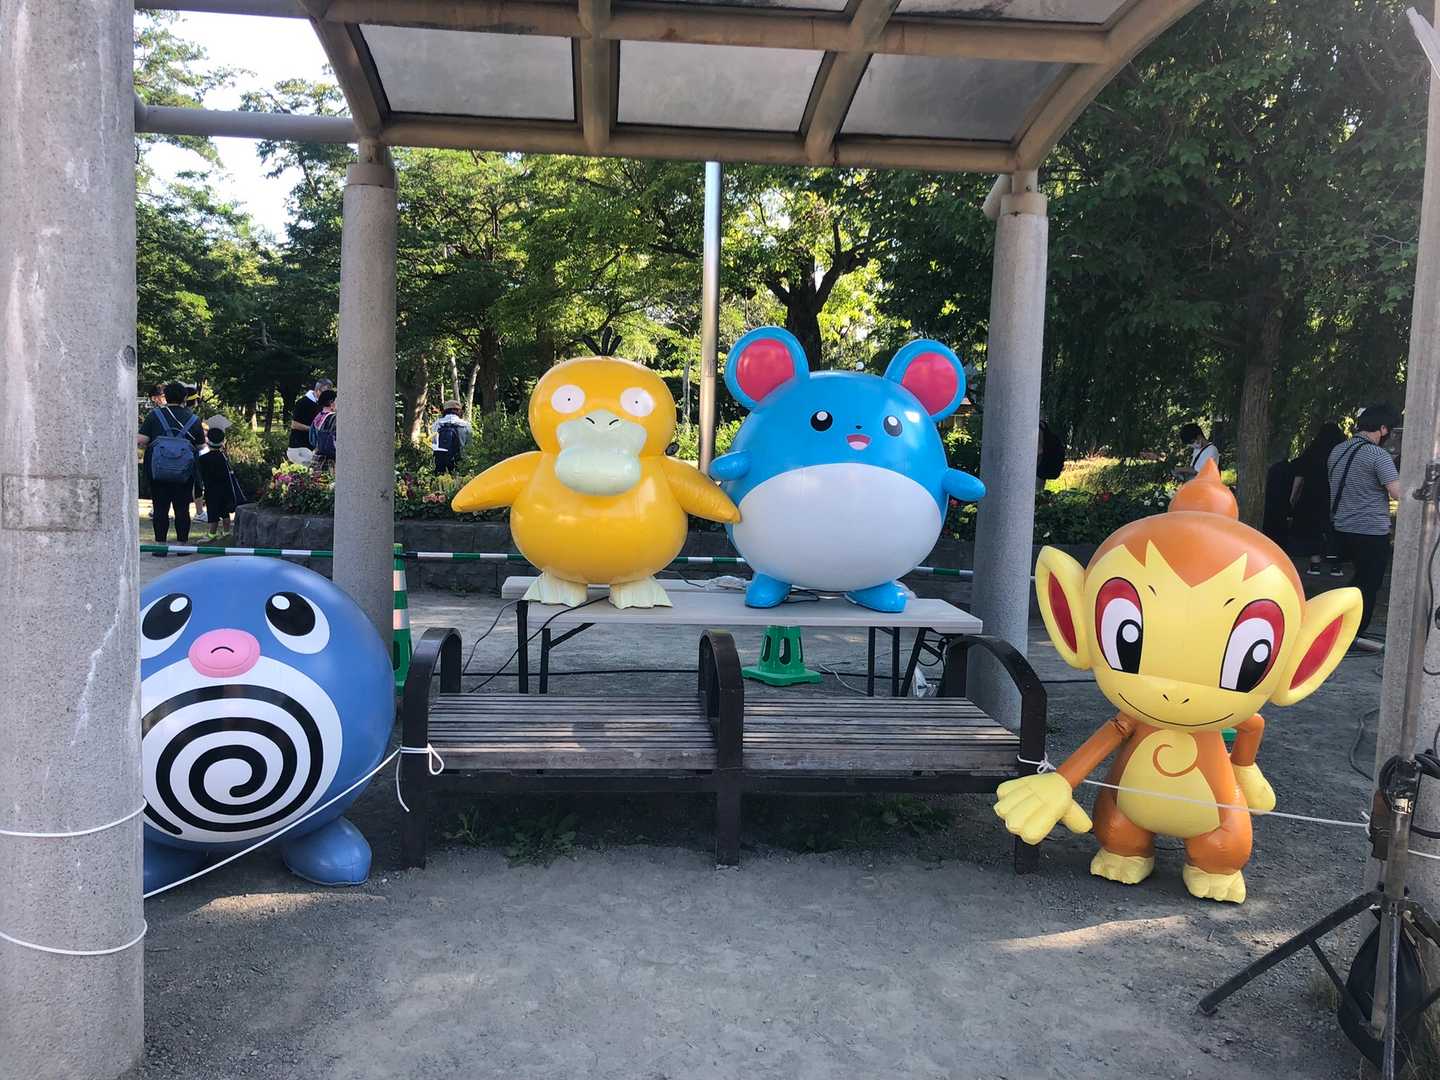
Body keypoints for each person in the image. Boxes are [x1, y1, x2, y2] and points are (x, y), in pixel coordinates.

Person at [1328, 404, 1402, 642]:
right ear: (1383, 428)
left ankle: (1340, 624)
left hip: (1341, 525)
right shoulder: (1378, 455)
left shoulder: (1338, 450)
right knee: (1369, 584)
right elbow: (1398, 493)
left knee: (1358, 579)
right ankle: (1352, 632)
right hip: (1370, 530)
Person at [137, 382, 204, 552]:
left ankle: (160, 546)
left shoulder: (155, 415)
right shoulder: (194, 419)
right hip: (184, 474)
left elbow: (142, 440)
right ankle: (182, 546)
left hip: (158, 472)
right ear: (184, 397)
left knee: (160, 508)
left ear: (166, 396)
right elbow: (201, 447)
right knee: (182, 509)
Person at [1287, 421, 1346, 575]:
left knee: (1314, 528)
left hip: (1312, 494)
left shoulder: (1313, 451)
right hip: (1335, 495)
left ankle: (1315, 563)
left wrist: (1293, 497)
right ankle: (1336, 565)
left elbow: (1300, 476)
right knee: (1335, 528)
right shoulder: (1341, 452)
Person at [196, 425, 238, 539]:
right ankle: (226, 532)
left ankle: (212, 534)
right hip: (225, 489)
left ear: (208, 441)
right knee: (225, 512)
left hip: (211, 489)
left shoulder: (203, 459)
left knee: (213, 513)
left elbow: (200, 476)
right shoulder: (224, 457)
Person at [290, 377, 333, 450]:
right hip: (300, 447)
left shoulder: (322, 404)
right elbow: (294, 425)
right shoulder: (302, 402)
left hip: (314, 447)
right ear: (318, 391)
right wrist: (312, 429)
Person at [431, 399, 472, 474]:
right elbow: (469, 446)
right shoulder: (466, 425)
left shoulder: (436, 424)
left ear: (444, 411)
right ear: (459, 411)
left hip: (441, 462)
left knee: (441, 478)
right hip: (460, 462)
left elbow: (434, 443)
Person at [309, 388, 338, 474]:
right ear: (331, 402)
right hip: (330, 461)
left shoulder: (318, 416)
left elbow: (312, 439)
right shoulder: (334, 417)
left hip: (318, 458)